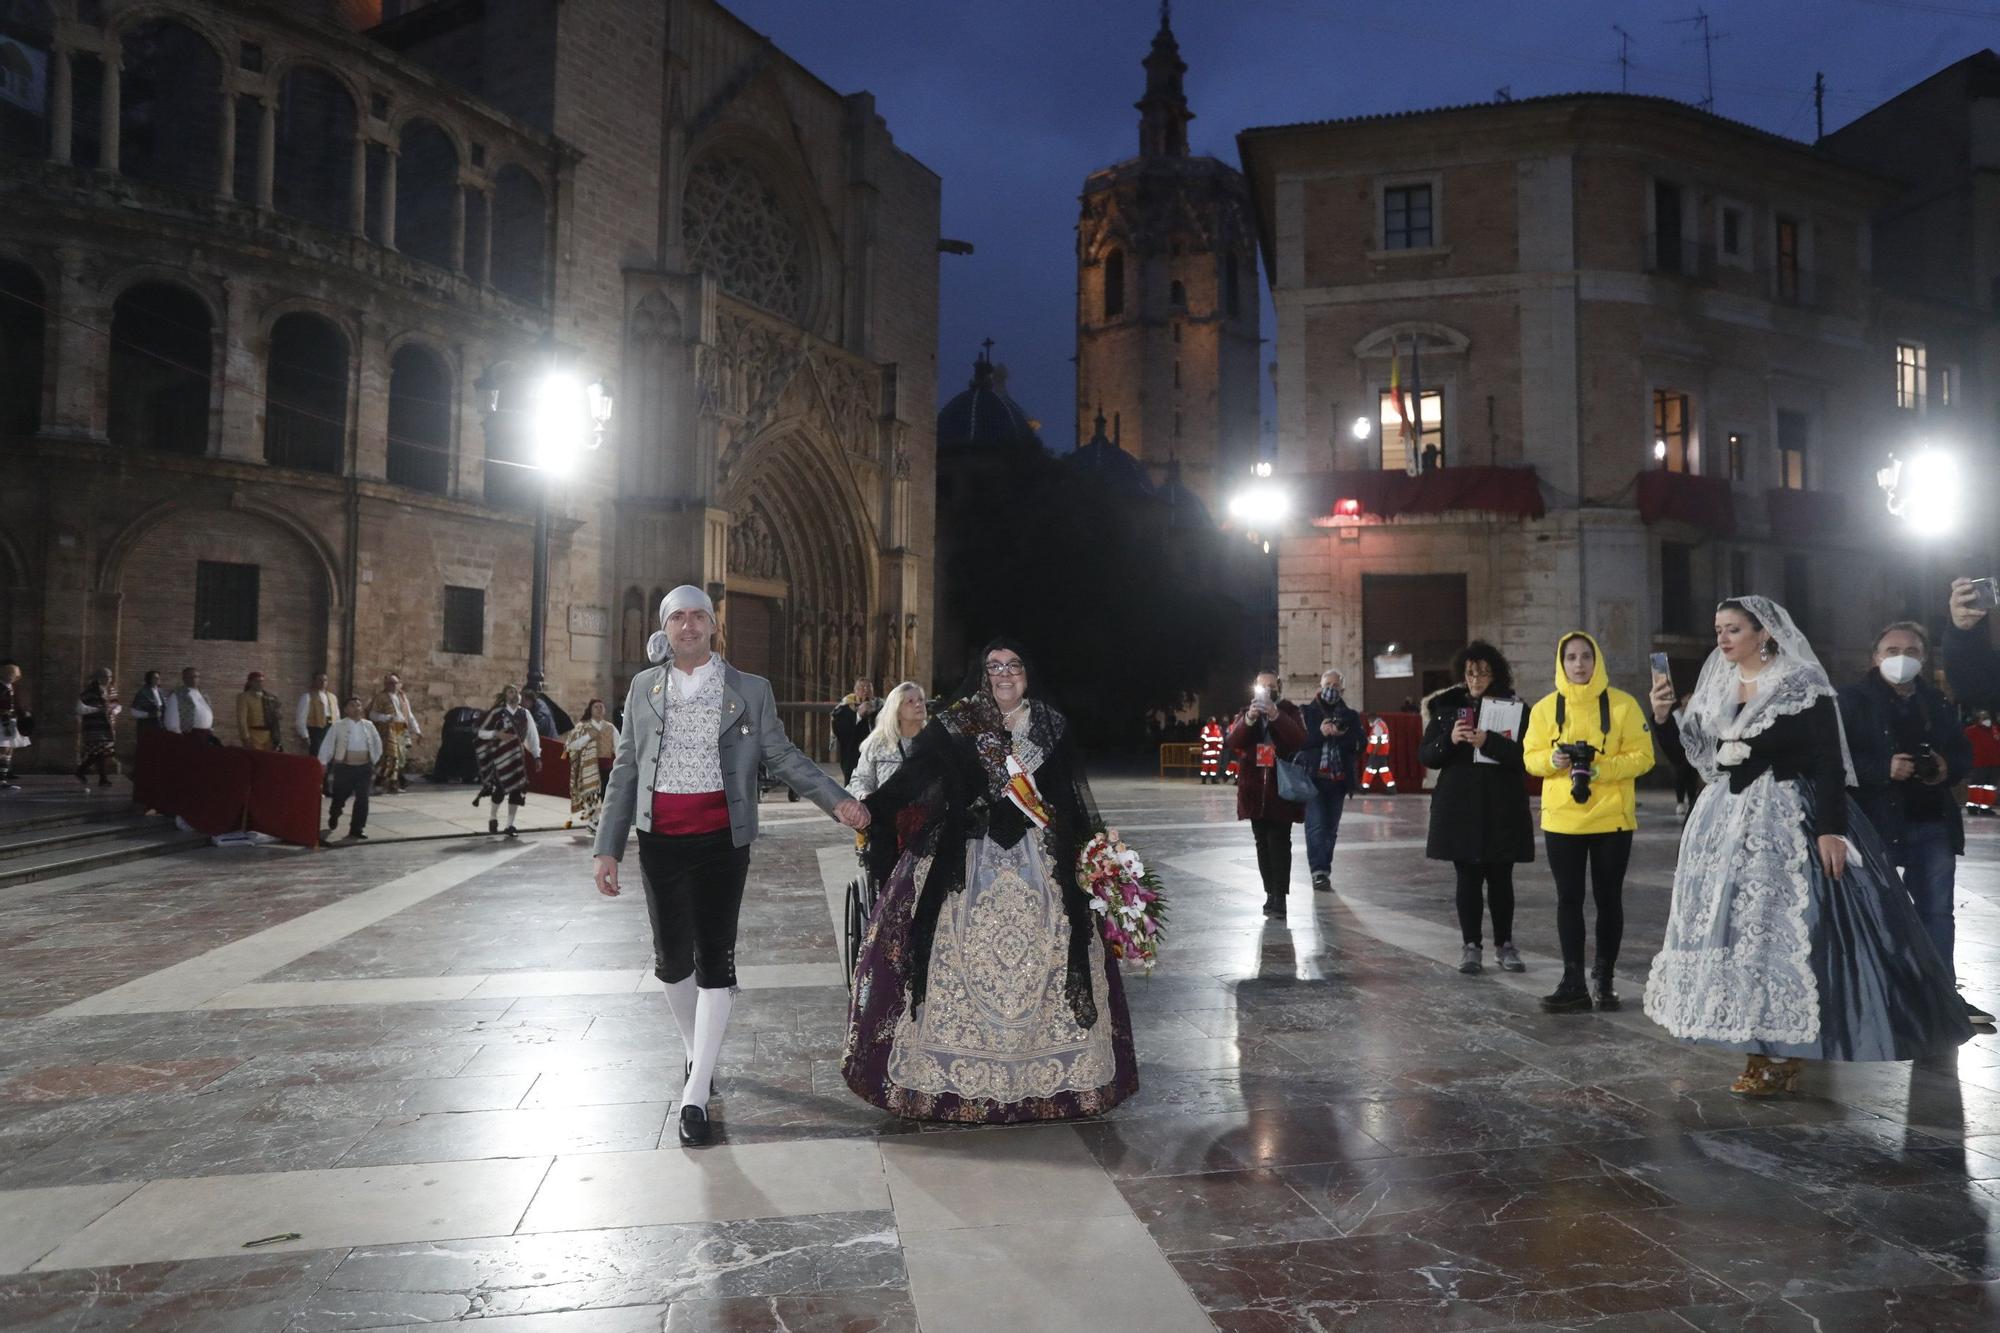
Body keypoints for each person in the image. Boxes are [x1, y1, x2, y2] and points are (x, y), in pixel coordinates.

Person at [1646, 596, 1972, 1095]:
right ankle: (1757, 1044)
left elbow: (1827, 762)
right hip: (1725, 827)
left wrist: (1830, 829)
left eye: (1733, 629)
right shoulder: (1717, 685)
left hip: (1786, 819)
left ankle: (1786, 1048)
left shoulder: (1800, 684)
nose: (1723, 639)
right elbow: (1696, 760)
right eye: (1718, 629)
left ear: (1764, 633)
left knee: (1784, 933)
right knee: (1737, 934)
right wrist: (1664, 717)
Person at [593, 586, 868, 1148]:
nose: (689, 627)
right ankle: (699, 1055)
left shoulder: (749, 689)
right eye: (678, 619)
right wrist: (607, 846)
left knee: (715, 958)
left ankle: (694, 1096)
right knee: (672, 962)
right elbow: (625, 770)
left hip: (723, 839)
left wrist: (834, 798)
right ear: (665, 628)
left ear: (714, 627)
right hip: (661, 839)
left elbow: (783, 755)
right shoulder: (644, 688)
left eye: (698, 617)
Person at [844, 638, 1138, 1122]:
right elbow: (912, 780)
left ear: (1028, 673)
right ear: (981, 674)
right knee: (953, 952)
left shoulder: (1048, 724)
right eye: (994, 666)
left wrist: (1095, 859)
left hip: (1039, 861)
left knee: (1051, 953)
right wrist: (867, 812)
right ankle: (954, 1078)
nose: (1004, 674)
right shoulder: (956, 724)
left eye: (1014, 666)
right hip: (965, 860)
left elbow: (1068, 797)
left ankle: (1047, 1078)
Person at [1837, 622, 1990, 1026]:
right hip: (1876, 822)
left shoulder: (1936, 701)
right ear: (1875, 657)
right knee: (1877, 911)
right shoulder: (1851, 700)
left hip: (1931, 820)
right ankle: (1881, 993)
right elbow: (1834, 760)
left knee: (1937, 912)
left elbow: (1961, 750)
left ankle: (1941, 996)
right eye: (1891, 650)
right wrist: (1881, 768)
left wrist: (1945, 767)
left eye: (1910, 650)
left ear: (1923, 658)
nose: (1900, 657)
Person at [1522, 631, 1655, 1013]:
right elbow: (1529, 758)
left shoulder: (1623, 706)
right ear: (1560, 664)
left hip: (1612, 819)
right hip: (1563, 821)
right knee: (1569, 899)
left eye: (1585, 657)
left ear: (1597, 661)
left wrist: (1599, 767)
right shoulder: (1546, 709)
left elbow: (1643, 757)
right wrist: (1553, 761)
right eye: (1571, 658)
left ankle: (1605, 979)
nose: (1579, 664)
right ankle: (1573, 980)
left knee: (1608, 899)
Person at [1419, 642, 1534, 976]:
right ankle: (1471, 946)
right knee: (1467, 879)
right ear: (1462, 674)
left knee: (1501, 879)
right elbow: (1426, 755)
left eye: (1483, 672)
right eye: (1470, 672)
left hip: (1501, 806)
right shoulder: (1446, 708)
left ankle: (1505, 945)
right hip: (1460, 808)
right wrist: (1449, 740)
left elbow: (1526, 755)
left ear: (1494, 673)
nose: (1476, 679)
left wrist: (1490, 743)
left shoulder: (1514, 707)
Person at [1226, 669, 1307, 918]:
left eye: (1271, 686)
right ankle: (1269, 893)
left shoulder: (1290, 711)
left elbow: (1299, 739)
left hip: (1280, 790)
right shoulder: (1246, 712)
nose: (1267, 691)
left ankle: (1280, 896)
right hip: (1253, 791)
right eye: (1262, 687)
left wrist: (1275, 715)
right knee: (1262, 843)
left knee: (1279, 843)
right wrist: (1250, 718)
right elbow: (1234, 741)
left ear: (1279, 687)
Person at [1298, 669, 1362, 894]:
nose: (1331, 689)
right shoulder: (1306, 712)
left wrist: (1342, 735)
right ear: (1320, 686)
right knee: (1316, 826)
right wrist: (1321, 733)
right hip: (1313, 780)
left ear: (1342, 689)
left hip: (1338, 781)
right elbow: (1300, 742)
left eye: (1336, 686)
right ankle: (1319, 872)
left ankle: (1324, 868)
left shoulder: (1350, 715)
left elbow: (1360, 744)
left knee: (1330, 830)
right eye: (1328, 684)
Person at [475, 683, 541, 837]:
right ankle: (493, 817)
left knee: (517, 791)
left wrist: (537, 755)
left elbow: (532, 736)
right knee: (499, 789)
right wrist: (496, 734)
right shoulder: (497, 713)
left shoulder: (525, 714)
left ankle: (510, 825)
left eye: (517, 691)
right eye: (511, 691)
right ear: (505, 695)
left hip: (518, 757)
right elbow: (481, 732)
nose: (515, 694)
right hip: (500, 756)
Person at [319, 697, 383, 840]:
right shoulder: (338, 726)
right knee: (340, 796)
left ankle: (357, 828)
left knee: (362, 798)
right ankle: (335, 812)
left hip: (364, 767)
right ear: (346, 709)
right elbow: (328, 744)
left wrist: (374, 760)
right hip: (344, 767)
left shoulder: (369, 725)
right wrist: (322, 762)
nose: (356, 708)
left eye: (358, 705)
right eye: (352, 705)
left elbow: (377, 743)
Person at [848, 680, 925, 800]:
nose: (918, 704)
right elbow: (860, 780)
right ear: (897, 711)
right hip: (887, 814)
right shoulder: (878, 743)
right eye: (910, 701)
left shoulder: (936, 741)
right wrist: (864, 795)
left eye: (921, 699)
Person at [562, 699, 618, 832]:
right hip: (588, 766)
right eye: (596, 707)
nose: (599, 709)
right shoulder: (582, 727)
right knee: (591, 794)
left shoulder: (610, 727)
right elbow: (571, 745)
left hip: (607, 766)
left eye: (601, 706)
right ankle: (593, 821)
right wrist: (588, 736)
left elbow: (618, 746)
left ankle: (598, 821)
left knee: (605, 795)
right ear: (590, 710)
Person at [369, 673, 422, 793]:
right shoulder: (380, 697)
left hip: (401, 728)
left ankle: (394, 784)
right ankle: (379, 783)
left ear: (399, 684)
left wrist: (417, 730)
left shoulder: (403, 697)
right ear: (385, 684)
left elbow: (409, 715)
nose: (392, 685)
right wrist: (386, 717)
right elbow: (372, 714)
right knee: (390, 757)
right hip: (389, 729)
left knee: (401, 758)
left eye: (395, 683)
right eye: (390, 683)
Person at [75, 668, 120, 789]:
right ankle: (98, 777)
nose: (108, 680)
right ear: (98, 678)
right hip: (94, 726)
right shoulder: (89, 692)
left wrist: (114, 711)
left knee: (102, 752)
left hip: (107, 726)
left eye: (110, 677)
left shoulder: (111, 691)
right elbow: (79, 709)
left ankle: (88, 773)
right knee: (98, 751)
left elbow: (117, 705)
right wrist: (97, 710)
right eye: (105, 677)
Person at [830, 677, 880, 784]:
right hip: (853, 757)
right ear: (855, 691)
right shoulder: (844, 708)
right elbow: (840, 730)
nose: (866, 690)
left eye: (869, 687)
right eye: (862, 687)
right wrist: (858, 715)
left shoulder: (880, 706)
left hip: (876, 757)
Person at [162, 667, 215, 739]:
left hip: (206, 734)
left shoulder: (203, 694)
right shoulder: (178, 694)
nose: (194, 679)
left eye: (196, 677)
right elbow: (171, 717)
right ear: (184, 679)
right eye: (190, 677)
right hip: (189, 735)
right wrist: (178, 734)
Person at [0, 661, 29, 790]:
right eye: (11, 673)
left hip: (10, 720)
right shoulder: (2, 688)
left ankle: (3, 778)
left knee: (9, 749)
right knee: (3, 748)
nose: (15, 676)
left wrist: (24, 713)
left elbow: (16, 704)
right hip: (2, 721)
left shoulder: (11, 687)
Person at [1966, 710, 2000, 817]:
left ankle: (1986, 807)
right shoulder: (1970, 731)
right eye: (1983, 717)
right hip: (1979, 763)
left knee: (1990, 787)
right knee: (1976, 785)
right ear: (1978, 720)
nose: (1986, 720)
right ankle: (1973, 807)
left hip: (1994, 763)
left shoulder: (1995, 730)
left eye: (1987, 717)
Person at [297, 673, 339, 758]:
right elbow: (301, 718)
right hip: (315, 730)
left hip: (330, 728)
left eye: (325, 680)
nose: (323, 682)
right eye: (320, 680)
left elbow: (337, 716)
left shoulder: (333, 697)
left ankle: (327, 771)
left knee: (330, 755)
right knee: (317, 754)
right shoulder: (307, 697)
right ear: (314, 681)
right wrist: (305, 735)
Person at [237, 672, 283, 751]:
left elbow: (279, 715)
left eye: (261, 681)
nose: (260, 683)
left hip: (269, 735)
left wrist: (278, 714)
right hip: (253, 735)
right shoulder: (244, 697)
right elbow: (242, 720)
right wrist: (246, 738)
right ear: (250, 682)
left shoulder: (270, 697)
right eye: (256, 681)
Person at [1198, 717, 1225, 783]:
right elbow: (1202, 739)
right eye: (1212, 721)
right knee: (1205, 765)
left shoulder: (1218, 728)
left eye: (1214, 721)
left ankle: (1213, 780)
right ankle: (1204, 780)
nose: (1213, 722)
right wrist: (1205, 747)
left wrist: (1219, 748)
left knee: (1214, 766)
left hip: (1214, 751)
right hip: (1208, 751)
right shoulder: (1205, 728)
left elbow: (1220, 739)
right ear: (1209, 721)